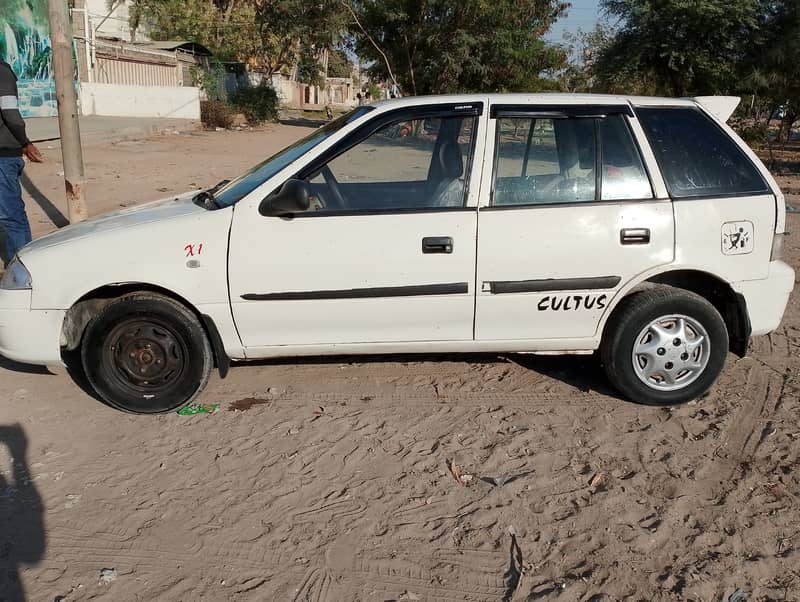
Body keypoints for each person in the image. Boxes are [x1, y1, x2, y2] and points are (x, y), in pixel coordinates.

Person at [0, 58, 43, 266]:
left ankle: (23, 268)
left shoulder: (2, 73)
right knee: (10, 214)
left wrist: (25, 142)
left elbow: (11, 114)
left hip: (3, 156)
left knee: (9, 215)